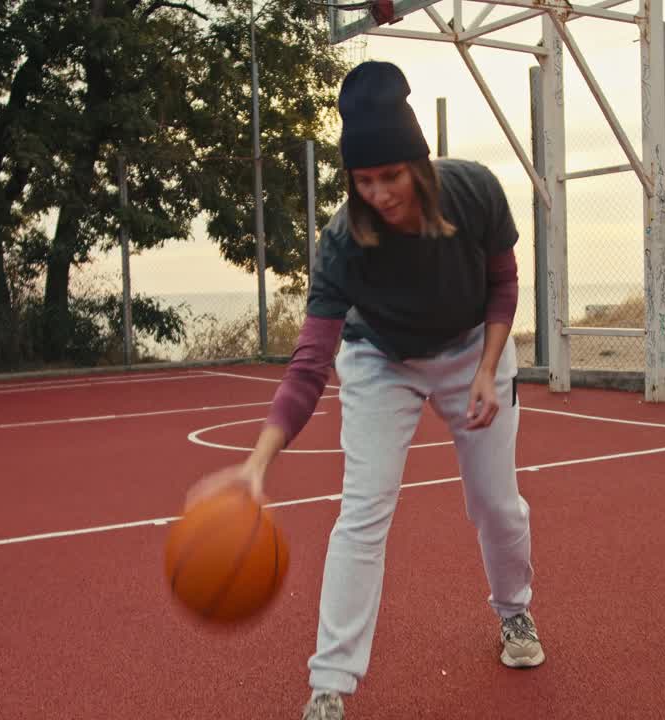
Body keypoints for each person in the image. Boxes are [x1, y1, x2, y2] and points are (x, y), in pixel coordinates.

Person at [186, 60, 544, 720]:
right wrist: (257, 465)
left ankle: (514, 612)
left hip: (473, 350)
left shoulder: (474, 192)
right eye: (363, 180)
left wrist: (489, 367)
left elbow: (503, 284)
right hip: (381, 358)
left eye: (390, 175)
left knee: (497, 504)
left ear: (419, 165)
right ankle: (329, 685)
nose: (378, 192)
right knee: (363, 511)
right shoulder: (343, 243)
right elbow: (308, 365)